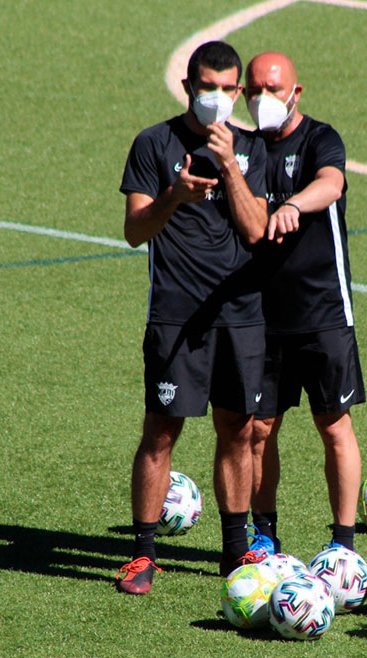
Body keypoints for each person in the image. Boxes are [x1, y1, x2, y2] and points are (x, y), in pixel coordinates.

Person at [115, 41, 269, 594]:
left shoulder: (254, 148)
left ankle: (234, 552)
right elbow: (134, 232)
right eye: (209, 88)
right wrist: (175, 196)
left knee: (239, 429)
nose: (219, 98)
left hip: (242, 316)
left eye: (230, 89)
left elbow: (257, 230)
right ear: (188, 87)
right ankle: (142, 555)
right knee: (161, 432)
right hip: (175, 317)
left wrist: (229, 164)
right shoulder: (153, 145)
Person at [244, 52, 365, 553]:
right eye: (254, 90)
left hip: (323, 313)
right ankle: (263, 536)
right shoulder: (242, 148)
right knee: (257, 430)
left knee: (333, 425)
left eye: (273, 89)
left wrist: (294, 203)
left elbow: (331, 184)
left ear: (296, 91)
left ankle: (344, 544)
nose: (262, 99)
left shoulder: (320, 139)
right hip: (259, 315)